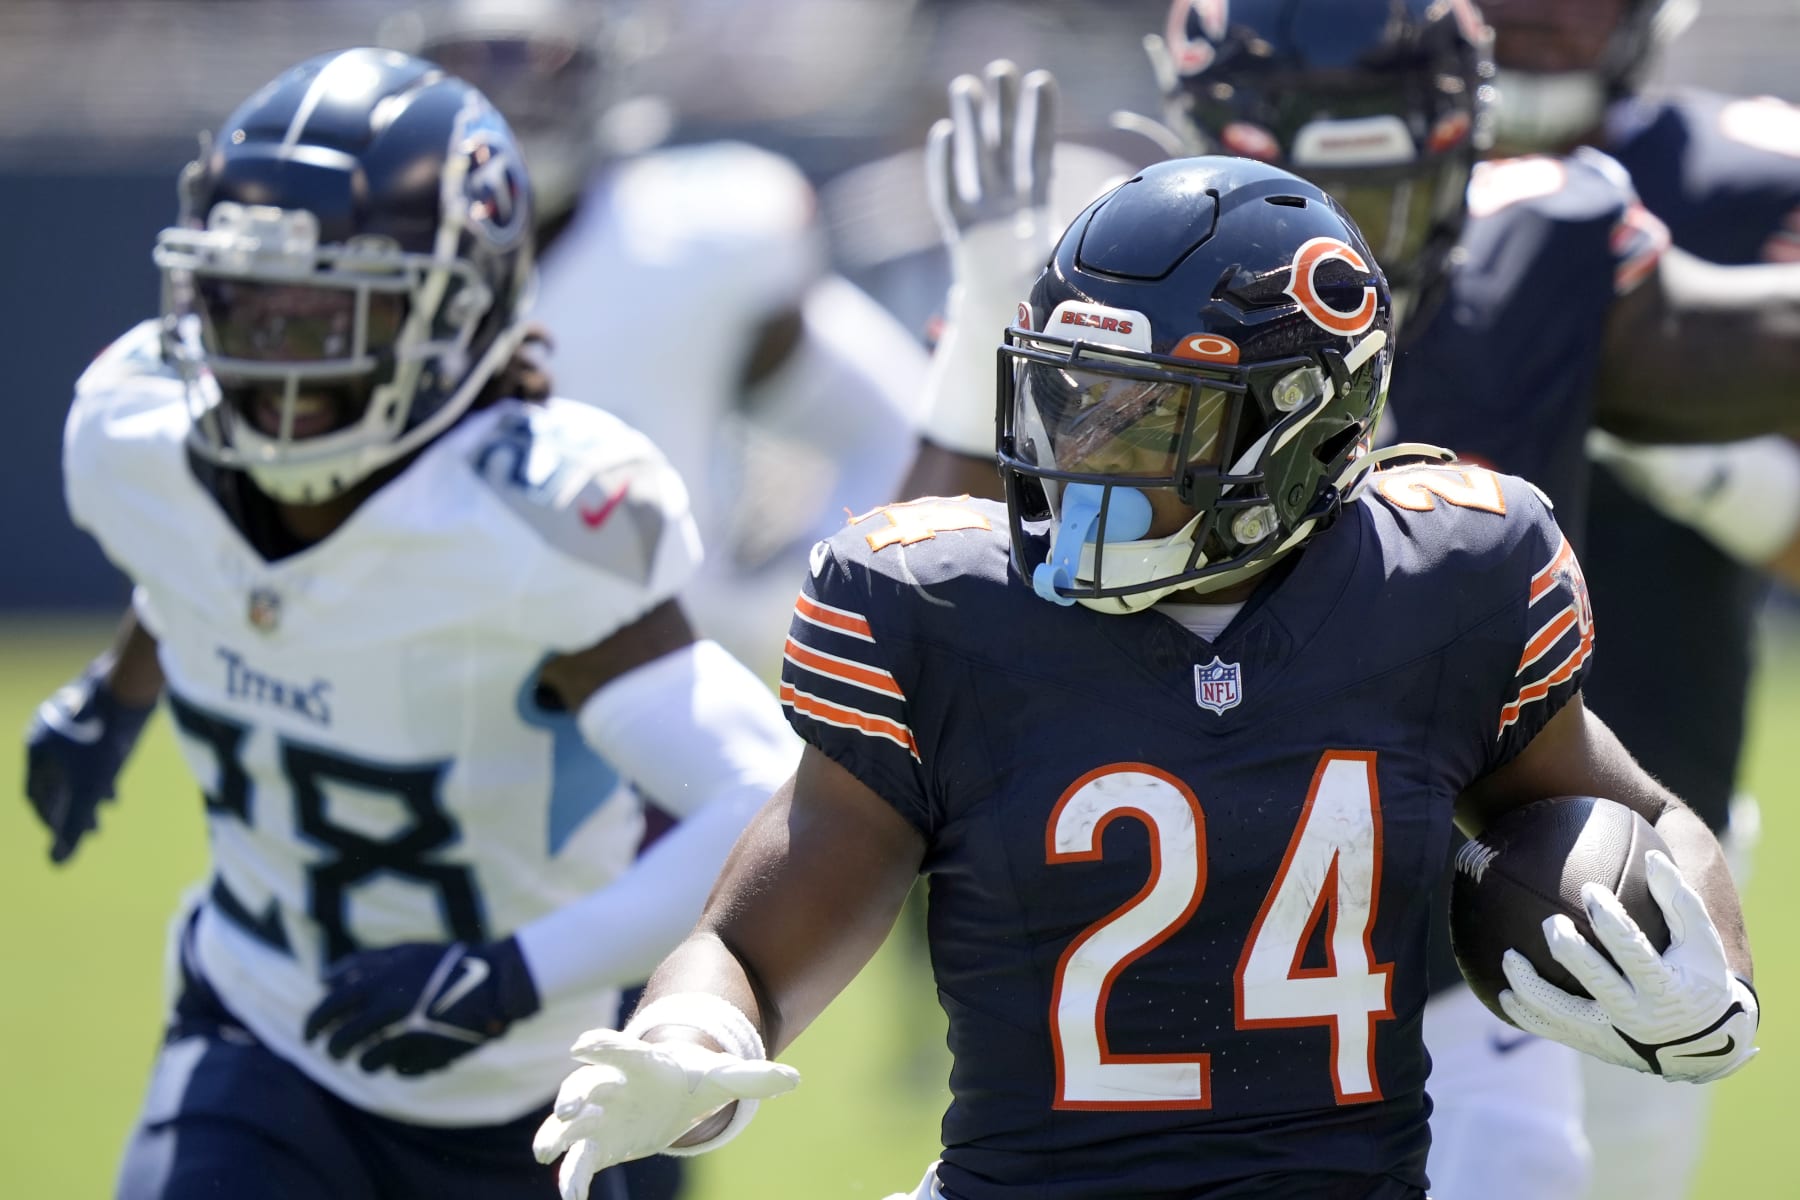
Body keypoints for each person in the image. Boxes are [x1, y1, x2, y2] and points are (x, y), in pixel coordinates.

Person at [533, 154, 1760, 1200]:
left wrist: (1713, 976)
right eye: (1065, 401)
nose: (1080, 458)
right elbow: (753, 940)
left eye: (1143, 419)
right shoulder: (941, 607)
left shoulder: (1450, 582)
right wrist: (691, 1035)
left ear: (1303, 429)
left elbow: (1634, 814)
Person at [23, 47, 800, 1199]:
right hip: (256, 1030)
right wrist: (119, 690)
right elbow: (201, 562)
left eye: (328, 309)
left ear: (458, 309)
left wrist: (507, 977)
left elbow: (764, 795)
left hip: (535, 1093)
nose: (274, 353)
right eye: (250, 299)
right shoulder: (138, 435)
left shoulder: (528, 525)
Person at [1470, 1, 1800, 1195]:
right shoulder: (1336, 177)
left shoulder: (1744, 176)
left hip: (1642, 831)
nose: (1537, 12)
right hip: (1356, 821)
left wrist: (1693, 455)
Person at [384, 0, 929, 683]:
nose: (514, 96)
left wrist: (797, 592)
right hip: (420, 684)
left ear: (604, 76)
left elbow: (895, 428)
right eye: (477, 66)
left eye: (544, 66)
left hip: (662, 686)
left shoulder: (697, 240)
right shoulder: (368, 255)